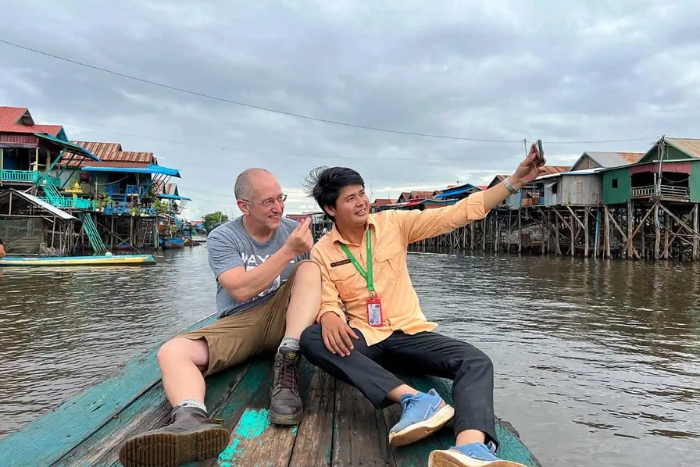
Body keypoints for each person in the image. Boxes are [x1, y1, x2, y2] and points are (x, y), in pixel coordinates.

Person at [299, 146, 542, 467]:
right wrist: (328, 314)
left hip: (408, 334)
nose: (361, 202)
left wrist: (513, 182)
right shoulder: (322, 251)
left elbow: (454, 214)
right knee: (311, 338)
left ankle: (469, 447)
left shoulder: (393, 224)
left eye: (362, 193)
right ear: (330, 209)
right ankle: (413, 400)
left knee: (475, 361)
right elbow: (326, 296)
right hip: (364, 338)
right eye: (350, 198)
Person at [119, 168, 322, 467]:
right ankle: (190, 419)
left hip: (288, 322)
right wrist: (288, 251)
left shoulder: (295, 231)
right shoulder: (223, 237)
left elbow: (320, 284)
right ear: (244, 206)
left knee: (309, 269)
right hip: (241, 322)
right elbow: (240, 289)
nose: (278, 207)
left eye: (280, 198)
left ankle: (287, 364)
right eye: (267, 201)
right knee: (173, 351)